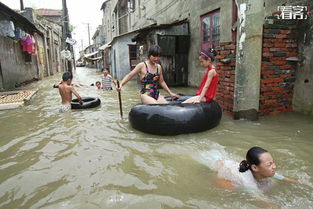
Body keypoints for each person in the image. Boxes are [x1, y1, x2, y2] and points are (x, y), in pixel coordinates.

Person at [202, 147, 300, 208]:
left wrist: (306, 184)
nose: (274, 166)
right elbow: (263, 201)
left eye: (273, 162)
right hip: (217, 165)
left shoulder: (266, 171)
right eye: (269, 164)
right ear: (254, 167)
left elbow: (285, 178)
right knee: (229, 187)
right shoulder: (248, 183)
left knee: (273, 182)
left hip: (228, 163)